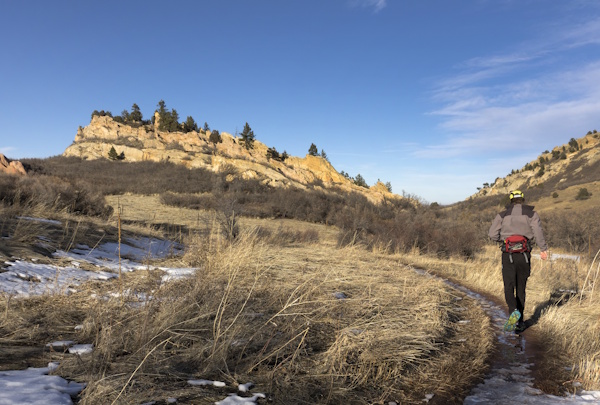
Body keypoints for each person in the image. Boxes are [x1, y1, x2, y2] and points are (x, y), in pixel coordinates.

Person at [488, 190, 548, 332]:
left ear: (510, 201)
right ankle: (520, 323)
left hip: (507, 255)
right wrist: (543, 249)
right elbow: (538, 232)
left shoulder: (502, 215)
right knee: (521, 288)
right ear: (523, 199)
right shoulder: (532, 214)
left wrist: (502, 239)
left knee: (509, 286)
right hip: (524, 255)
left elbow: (492, 234)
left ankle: (513, 311)